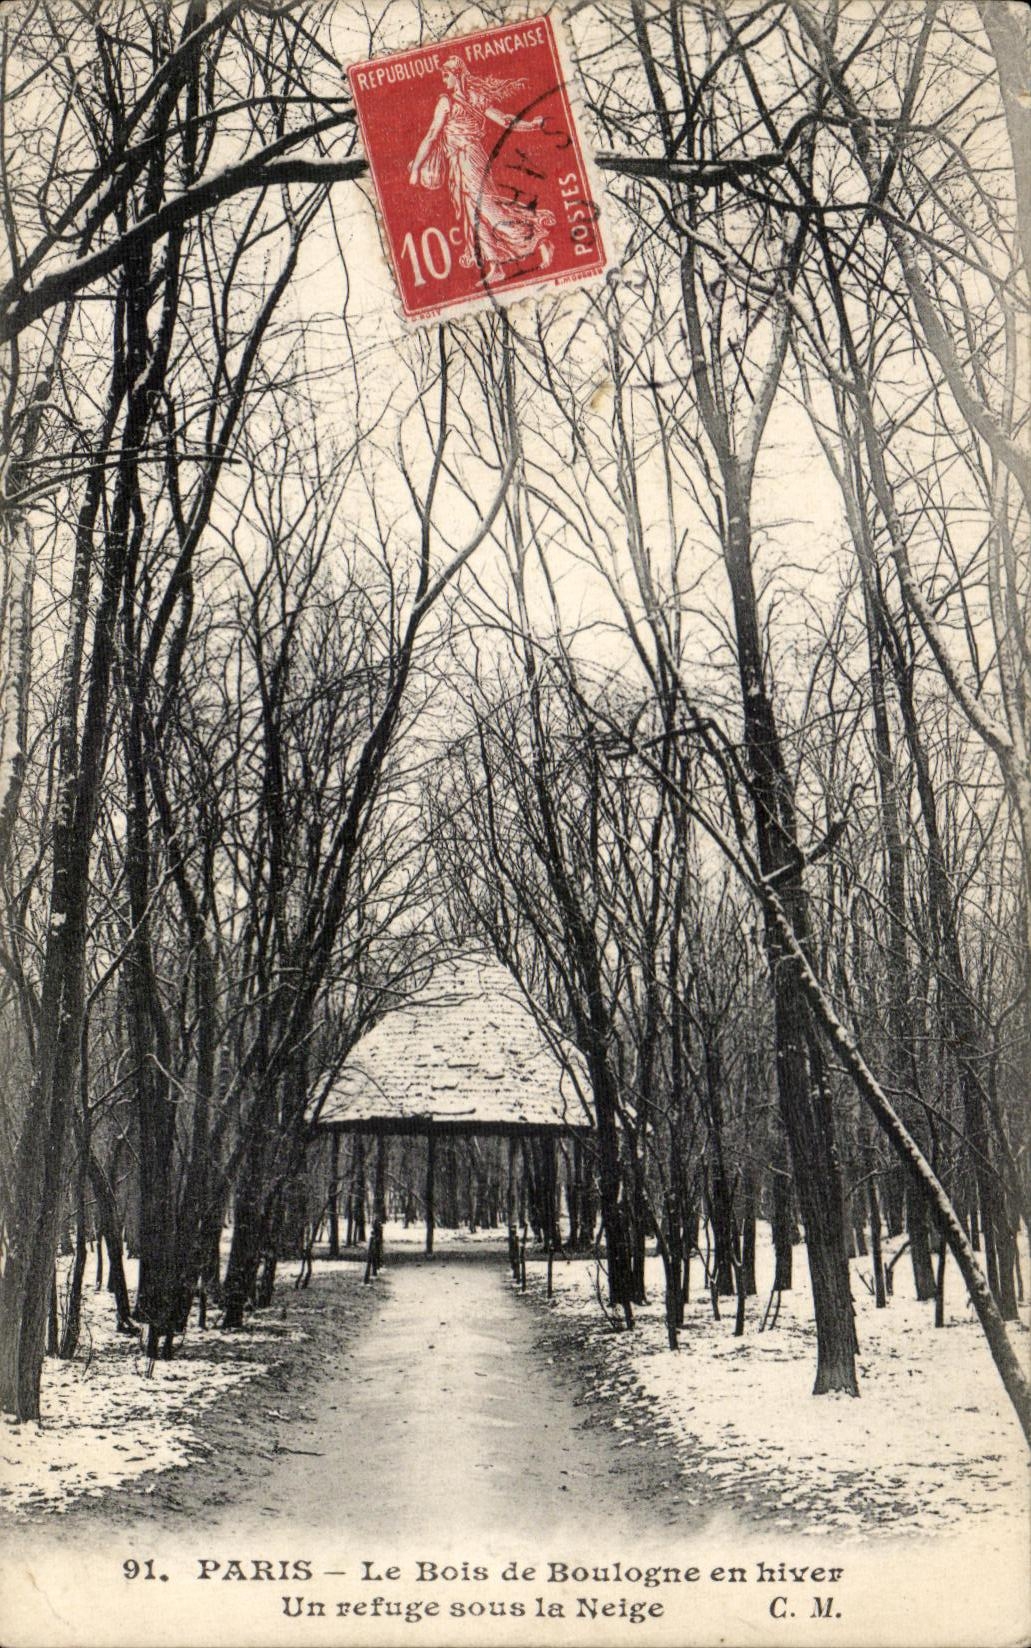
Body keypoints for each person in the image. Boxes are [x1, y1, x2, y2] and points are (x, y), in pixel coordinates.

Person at [409, 56, 555, 283]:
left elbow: (432, 135)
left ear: (457, 75)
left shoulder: (448, 102)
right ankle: (495, 266)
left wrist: (416, 168)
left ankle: (538, 238)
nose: (444, 79)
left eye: (446, 75)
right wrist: (531, 125)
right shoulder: (472, 98)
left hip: (470, 159)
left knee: (487, 209)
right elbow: (505, 120)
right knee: (474, 215)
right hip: (460, 162)